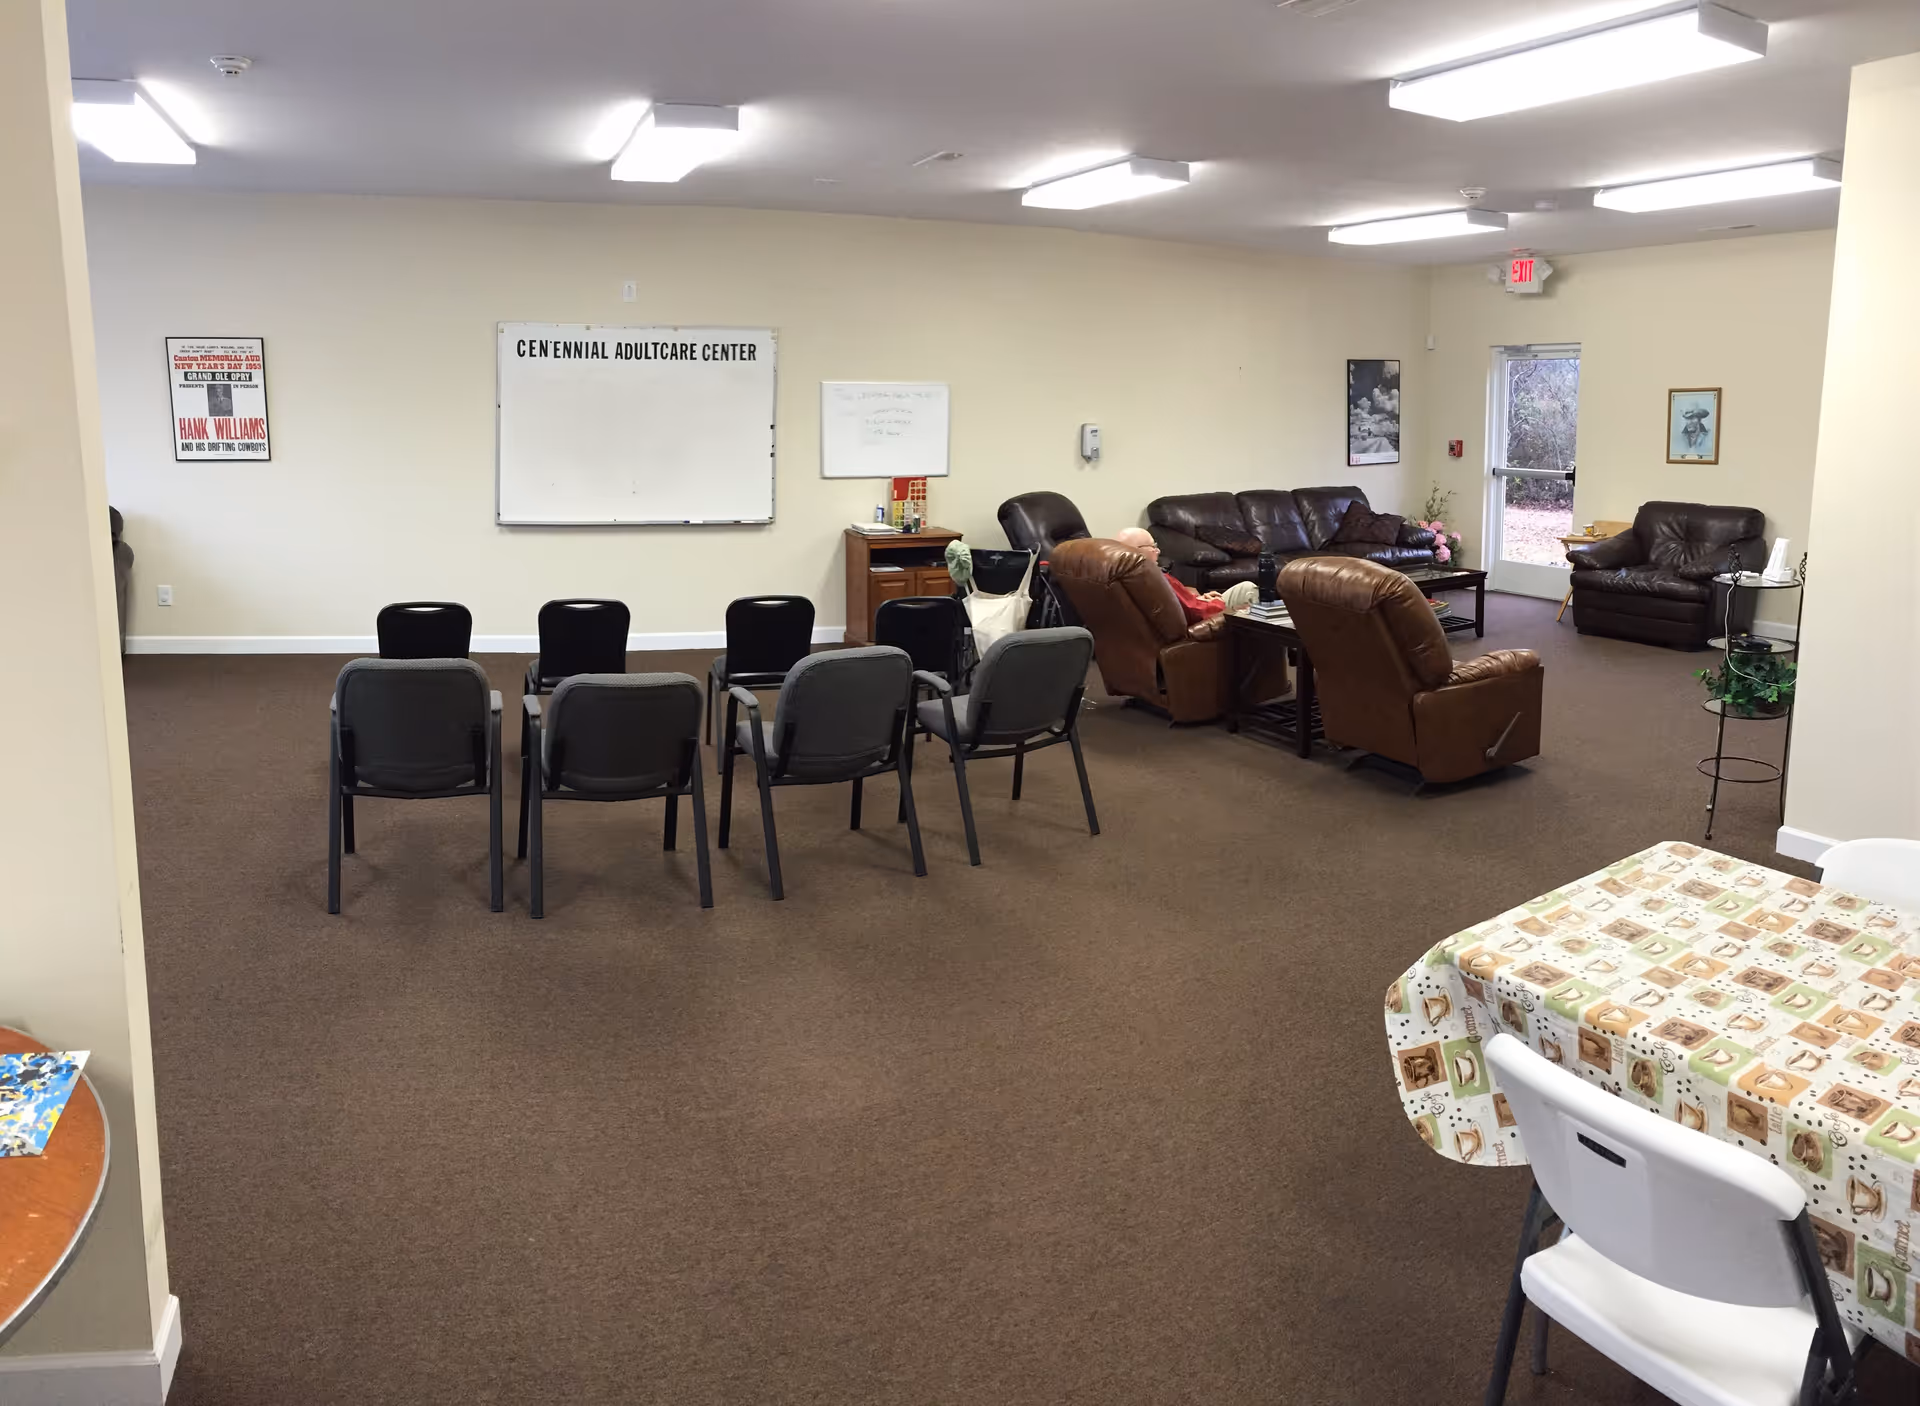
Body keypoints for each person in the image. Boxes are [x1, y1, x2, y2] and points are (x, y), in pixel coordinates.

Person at [1113, 527, 1257, 624]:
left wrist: (1197, 598)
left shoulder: (1121, 575)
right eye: (1152, 547)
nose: (1158, 551)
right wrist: (1215, 603)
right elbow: (1194, 613)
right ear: (1134, 551)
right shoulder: (1153, 579)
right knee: (1250, 592)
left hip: (1199, 606)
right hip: (1206, 617)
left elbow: (1182, 603)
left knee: (1245, 587)